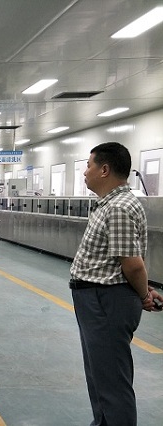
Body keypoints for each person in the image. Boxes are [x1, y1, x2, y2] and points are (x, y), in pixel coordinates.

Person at [69, 142, 163, 425]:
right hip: (99, 298)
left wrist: (144, 295)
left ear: (105, 170)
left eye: (89, 165)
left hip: (106, 301)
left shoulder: (119, 208)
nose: (85, 172)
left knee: (111, 382)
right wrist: (143, 290)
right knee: (100, 376)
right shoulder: (109, 204)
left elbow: (132, 264)